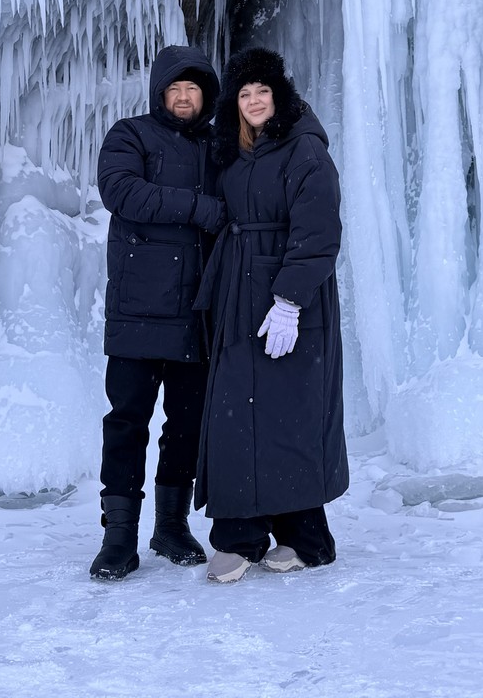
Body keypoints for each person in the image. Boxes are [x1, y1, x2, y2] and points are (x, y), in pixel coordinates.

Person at [194, 47, 348, 583]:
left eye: (263, 91)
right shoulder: (235, 153)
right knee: (236, 414)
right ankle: (240, 539)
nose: (255, 100)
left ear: (278, 95)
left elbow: (319, 230)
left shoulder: (305, 149)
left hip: (289, 300)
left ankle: (307, 539)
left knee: (289, 416)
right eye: (244, 93)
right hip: (239, 295)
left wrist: (290, 302)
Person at [91, 44, 226, 581]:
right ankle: (118, 537)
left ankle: (170, 525)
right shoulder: (130, 135)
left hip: (197, 312)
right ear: (160, 93)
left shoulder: (220, 147)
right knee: (127, 424)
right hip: (138, 311)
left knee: (187, 426)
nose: (185, 96)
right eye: (176, 88)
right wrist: (197, 207)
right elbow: (120, 191)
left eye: (195, 89)